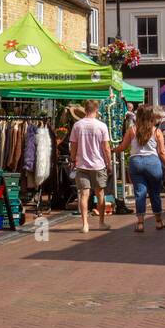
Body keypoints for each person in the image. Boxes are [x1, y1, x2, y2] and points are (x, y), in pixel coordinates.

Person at [115, 103, 165, 233]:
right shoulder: (156, 131)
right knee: (155, 193)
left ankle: (140, 224)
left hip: (136, 163)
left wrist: (112, 149)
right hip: (153, 163)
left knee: (140, 193)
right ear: (151, 116)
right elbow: (161, 152)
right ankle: (158, 221)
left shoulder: (132, 130)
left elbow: (123, 147)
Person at [68, 99, 111, 233]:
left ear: (85, 109)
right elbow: (106, 147)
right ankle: (101, 222)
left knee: (84, 194)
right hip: (98, 164)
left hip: (82, 164)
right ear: (96, 110)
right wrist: (108, 163)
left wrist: (72, 159)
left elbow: (73, 145)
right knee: (100, 194)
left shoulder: (77, 125)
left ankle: (85, 224)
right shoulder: (102, 126)